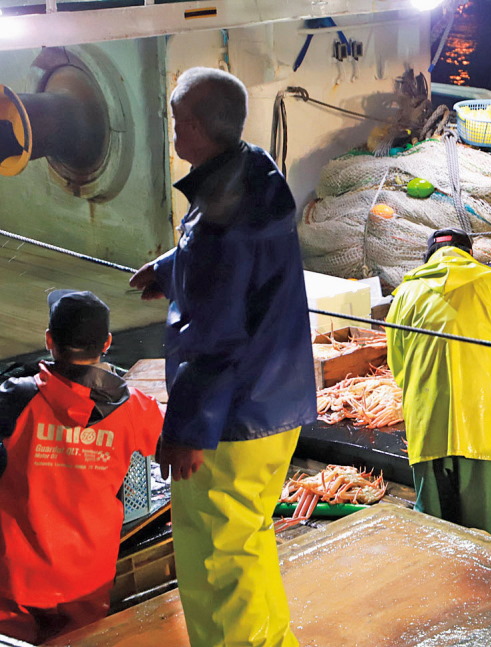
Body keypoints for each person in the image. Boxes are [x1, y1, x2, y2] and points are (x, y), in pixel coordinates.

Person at [128, 67, 316, 647]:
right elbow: (232, 263)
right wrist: (172, 268)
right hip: (276, 401)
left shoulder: (218, 225)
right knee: (248, 542)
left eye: (175, 118)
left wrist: (187, 430)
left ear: (191, 128)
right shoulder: (249, 173)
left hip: (233, 419)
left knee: (216, 560)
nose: (172, 128)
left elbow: (213, 340)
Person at [0, 290, 163, 644]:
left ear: (48, 341)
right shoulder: (135, 408)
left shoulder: (14, 398)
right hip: (87, 578)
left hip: (16, 576)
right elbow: (173, 447)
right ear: (106, 343)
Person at [386, 228, 491, 542]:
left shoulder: (407, 293)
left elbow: (397, 367)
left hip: (427, 426)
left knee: (435, 536)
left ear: (428, 257)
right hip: (483, 426)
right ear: (469, 254)